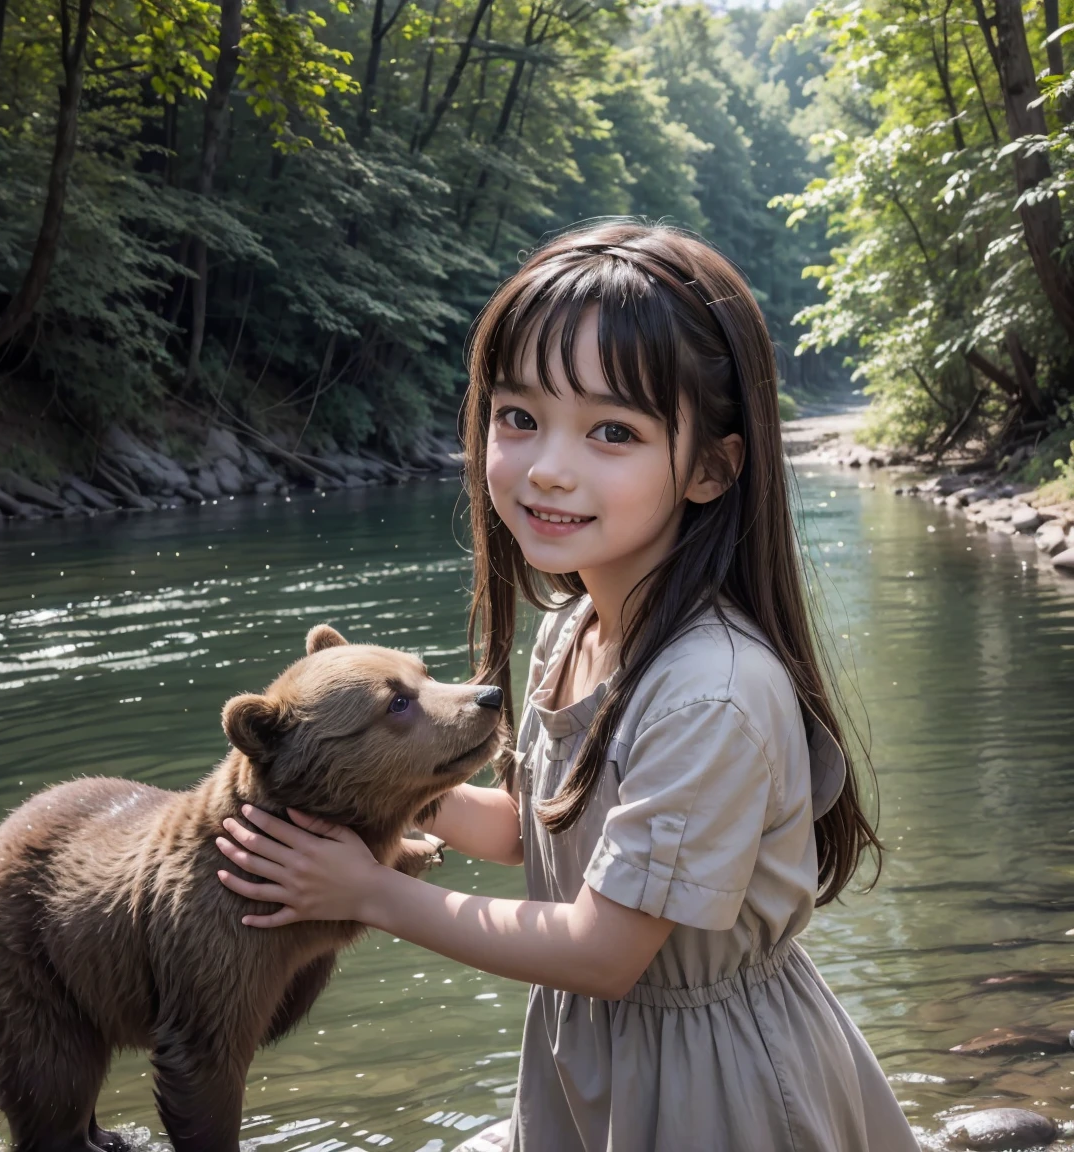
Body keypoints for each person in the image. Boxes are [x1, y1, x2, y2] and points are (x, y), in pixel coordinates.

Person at [214, 221, 920, 1152]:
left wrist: (369, 892)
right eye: (519, 417)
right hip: (592, 1061)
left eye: (612, 431)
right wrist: (369, 801)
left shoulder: (711, 691)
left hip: (713, 1092)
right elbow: (539, 829)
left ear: (712, 466)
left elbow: (601, 950)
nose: (548, 466)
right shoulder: (575, 626)